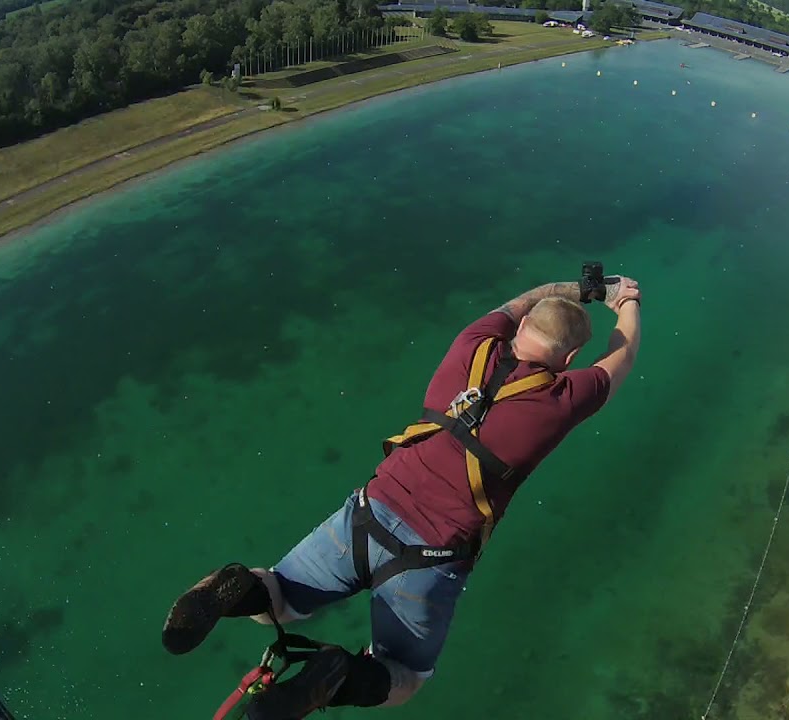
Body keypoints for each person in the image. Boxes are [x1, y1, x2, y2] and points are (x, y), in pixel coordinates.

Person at [162, 275, 643, 718]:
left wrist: (586, 290)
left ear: (519, 328)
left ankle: (227, 585)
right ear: (569, 361)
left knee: (277, 600)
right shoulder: (563, 399)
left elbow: (523, 300)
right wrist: (628, 303)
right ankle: (336, 678)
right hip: (430, 558)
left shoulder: (471, 343)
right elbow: (622, 354)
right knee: (406, 677)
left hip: (366, 515)